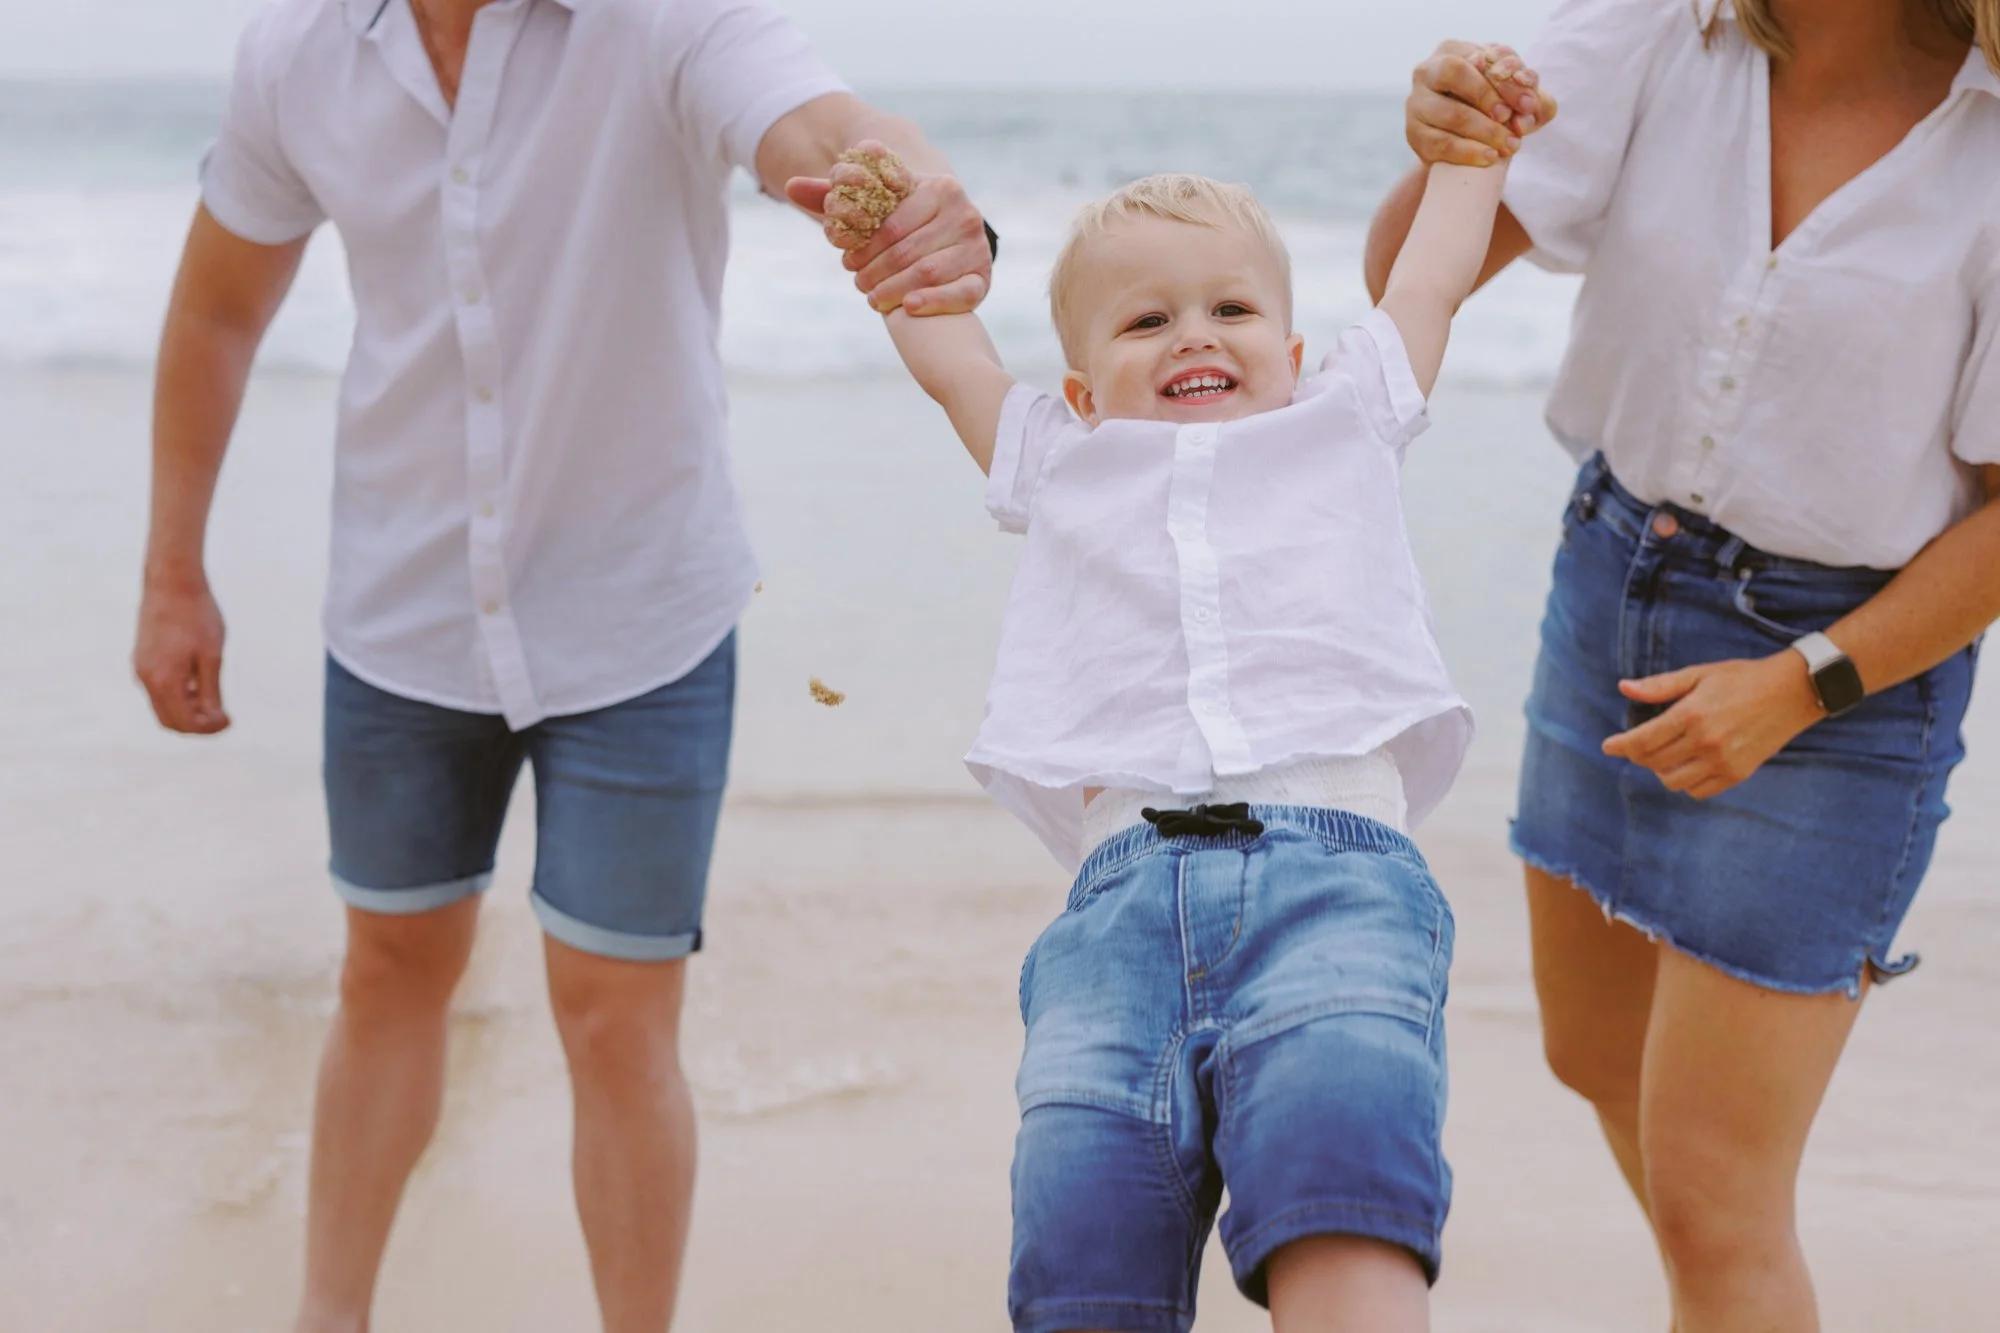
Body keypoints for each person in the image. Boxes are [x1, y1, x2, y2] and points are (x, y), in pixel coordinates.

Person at [129, 2, 991, 1329]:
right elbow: (219, 311)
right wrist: (171, 572)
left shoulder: (668, 20)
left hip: (641, 613)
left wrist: (916, 191)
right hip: (401, 603)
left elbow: (822, 127)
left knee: (615, 1018)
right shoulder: (297, 51)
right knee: (386, 974)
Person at [819, 117, 1521, 1328]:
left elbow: (1429, 278)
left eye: (1230, 310)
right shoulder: (1061, 458)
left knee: (1342, 1186)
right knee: (1080, 1251)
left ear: (1294, 352)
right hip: (1114, 915)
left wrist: (1472, 155)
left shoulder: (1341, 414)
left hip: (1333, 877)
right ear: (1084, 387)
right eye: (1146, 322)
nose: (1193, 333)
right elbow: (952, 361)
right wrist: (887, 241)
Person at [1366, 4, 2000, 1330]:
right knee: (1592, 1057)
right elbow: (1408, 288)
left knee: (1718, 1199)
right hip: (1610, 579)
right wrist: (1448, 145)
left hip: (1849, 674)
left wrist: (1801, 681)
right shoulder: (1660, 28)